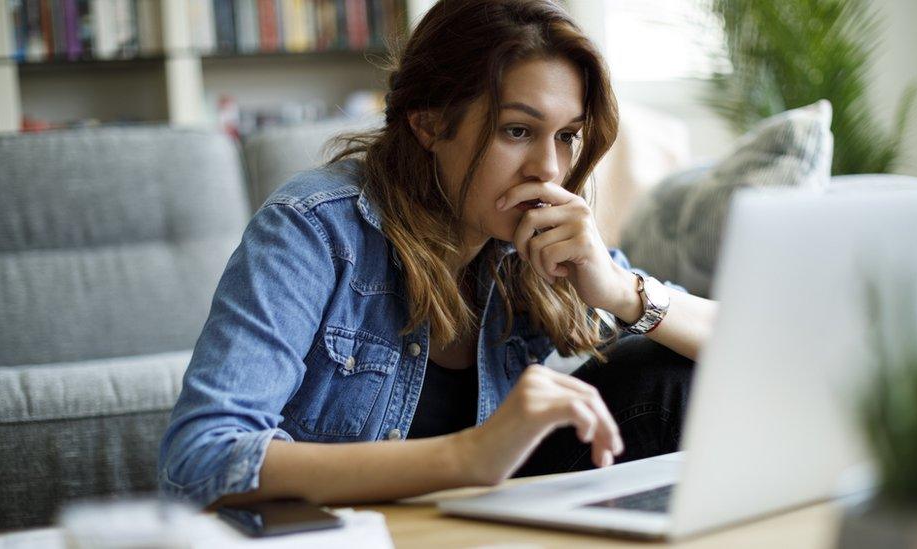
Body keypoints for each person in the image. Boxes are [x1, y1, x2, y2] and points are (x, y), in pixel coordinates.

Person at [158, 0, 718, 509]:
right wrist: (469, 457)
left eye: (567, 135)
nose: (549, 169)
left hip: (477, 524)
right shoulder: (315, 229)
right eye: (517, 130)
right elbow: (200, 458)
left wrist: (621, 293)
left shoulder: (533, 242)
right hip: (351, 534)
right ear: (428, 122)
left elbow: (745, 344)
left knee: (668, 373)